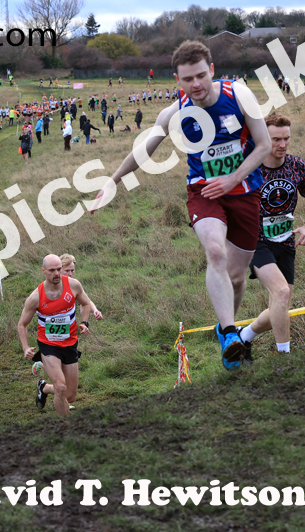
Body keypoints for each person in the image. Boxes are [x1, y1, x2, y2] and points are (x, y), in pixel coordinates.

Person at [92, 40, 271, 370]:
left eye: (201, 75)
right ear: (178, 79)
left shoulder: (240, 96)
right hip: (202, 192)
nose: (196, 84)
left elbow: (264, 145)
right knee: (215, 251)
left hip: (245, 191)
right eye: (188, 79)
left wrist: (233, 179)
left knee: (236, 276)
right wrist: (112, 180)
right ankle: (231, 335)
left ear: (212, 70)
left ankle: (223, 325)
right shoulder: (173, 112)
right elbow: (144, 150)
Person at [239, 114, 305, 360]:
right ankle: (285, 359)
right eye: (276, 139)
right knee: (282, 293)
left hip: (285, 241)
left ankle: (244, 337)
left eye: (286, 139)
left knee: (281, 304)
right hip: (255, 240)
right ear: (263, 137)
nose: (282, 145)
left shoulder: (297, 166)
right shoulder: (249, 166)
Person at [17, 255, 101, 417]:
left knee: (70, 395)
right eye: (52, 270)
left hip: (70, 344)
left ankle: (45, 388)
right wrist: (25, 347)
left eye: (58, 269)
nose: (56, 273)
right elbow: (22, 324)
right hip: (48, 346)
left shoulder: (74, 285)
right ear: (43, 271)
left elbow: (84, 303)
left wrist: (84, 322)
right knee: (61, 388)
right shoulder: (36, 297)